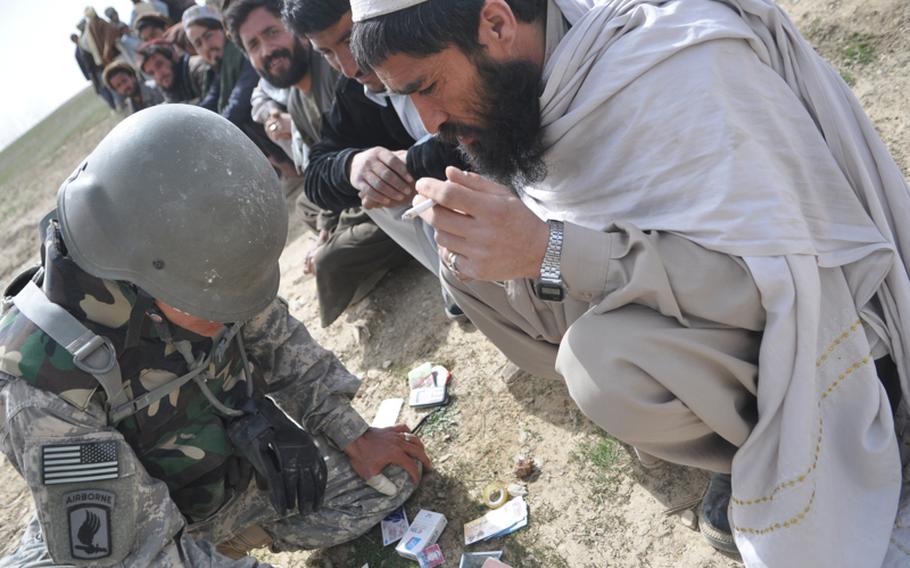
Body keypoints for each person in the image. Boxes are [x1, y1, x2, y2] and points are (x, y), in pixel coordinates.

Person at [350, 0, 910, 566]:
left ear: (496, 23)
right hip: (669, 293)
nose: (428, 122)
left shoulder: (675, 68)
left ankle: (770, 431)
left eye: (427, 86)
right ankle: (709, 408)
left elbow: (768, 285)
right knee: (461, 258)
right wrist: (507, 240)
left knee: (598, 365)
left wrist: (549, 249)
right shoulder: (531, 81)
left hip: (806, 317)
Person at [0, 104, 430, 567]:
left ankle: (228, 540)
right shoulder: (44, 388)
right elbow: (135, 556)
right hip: (131, 522)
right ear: (139, 282)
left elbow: (280, 341)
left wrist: (351, 433)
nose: (232, 318)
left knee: (390, 477)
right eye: (212, 304)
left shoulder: (196, 256)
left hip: (232, 476)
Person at [226, 0, 415, 328]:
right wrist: (328, 226)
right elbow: (323, 167)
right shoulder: (299, 101)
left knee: (331, 260)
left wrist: (329, 234)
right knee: (305, 204)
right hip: (354, 193)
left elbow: (383, 161)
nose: (268, 49)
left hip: (390, 188)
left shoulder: (342, 74)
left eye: (272, 32)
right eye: (253, 44)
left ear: (296, 31)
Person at [282, 0, 468, 319]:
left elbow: (479, 126)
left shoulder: (441, 30)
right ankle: (461, 285)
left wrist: (410, 167)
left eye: (350, 37)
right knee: (374, 184)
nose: (348, 66)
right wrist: (354, 166)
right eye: (326, 53)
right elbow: (316, 173)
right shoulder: (352, 93)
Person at [139, 41, 209, 103]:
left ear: (172, 58)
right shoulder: (164, 84)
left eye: (159, 65)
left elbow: (210, 104)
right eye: (151, 73)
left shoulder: (196, 67)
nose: (159, 75)